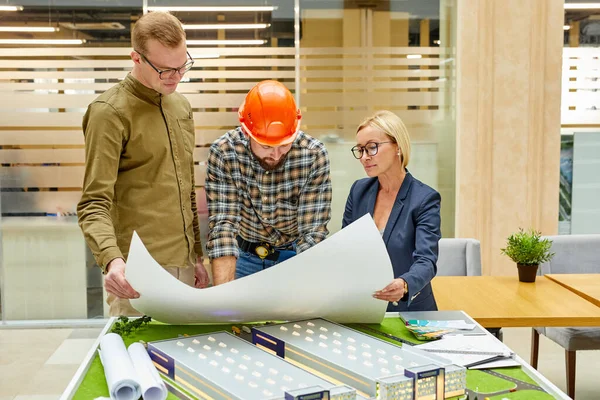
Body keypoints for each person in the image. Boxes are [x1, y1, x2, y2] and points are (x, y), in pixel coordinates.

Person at [77, 11, 209, 317]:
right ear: (136, 58)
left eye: (182, 66)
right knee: (136, 360)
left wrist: (197, 256)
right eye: (165, 70)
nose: (176, 77)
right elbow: (93, 202)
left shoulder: (181, 106)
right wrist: (111, 260)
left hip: (186, 267)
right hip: (137, 274)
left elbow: (186, 188)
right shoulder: (109, 113)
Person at [205, 80, 332, 285]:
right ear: (246, 132)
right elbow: (223, 226)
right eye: (265, 146)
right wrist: (223, 297)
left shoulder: (313, 155)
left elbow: (313, 232)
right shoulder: (224, 153)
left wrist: (309, 289)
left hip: (294, 257)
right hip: (243, 258)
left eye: (284, 145)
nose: (275, 154)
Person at [342, 110, 441, 312]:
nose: (364, 157)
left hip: (408, 310)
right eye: (360, 150)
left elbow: (426, 261)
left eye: (372, 147)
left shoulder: (424, 199)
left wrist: (404, 284)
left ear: (397, 146)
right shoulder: (358, 191)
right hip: (364, 307)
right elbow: (346, 248)